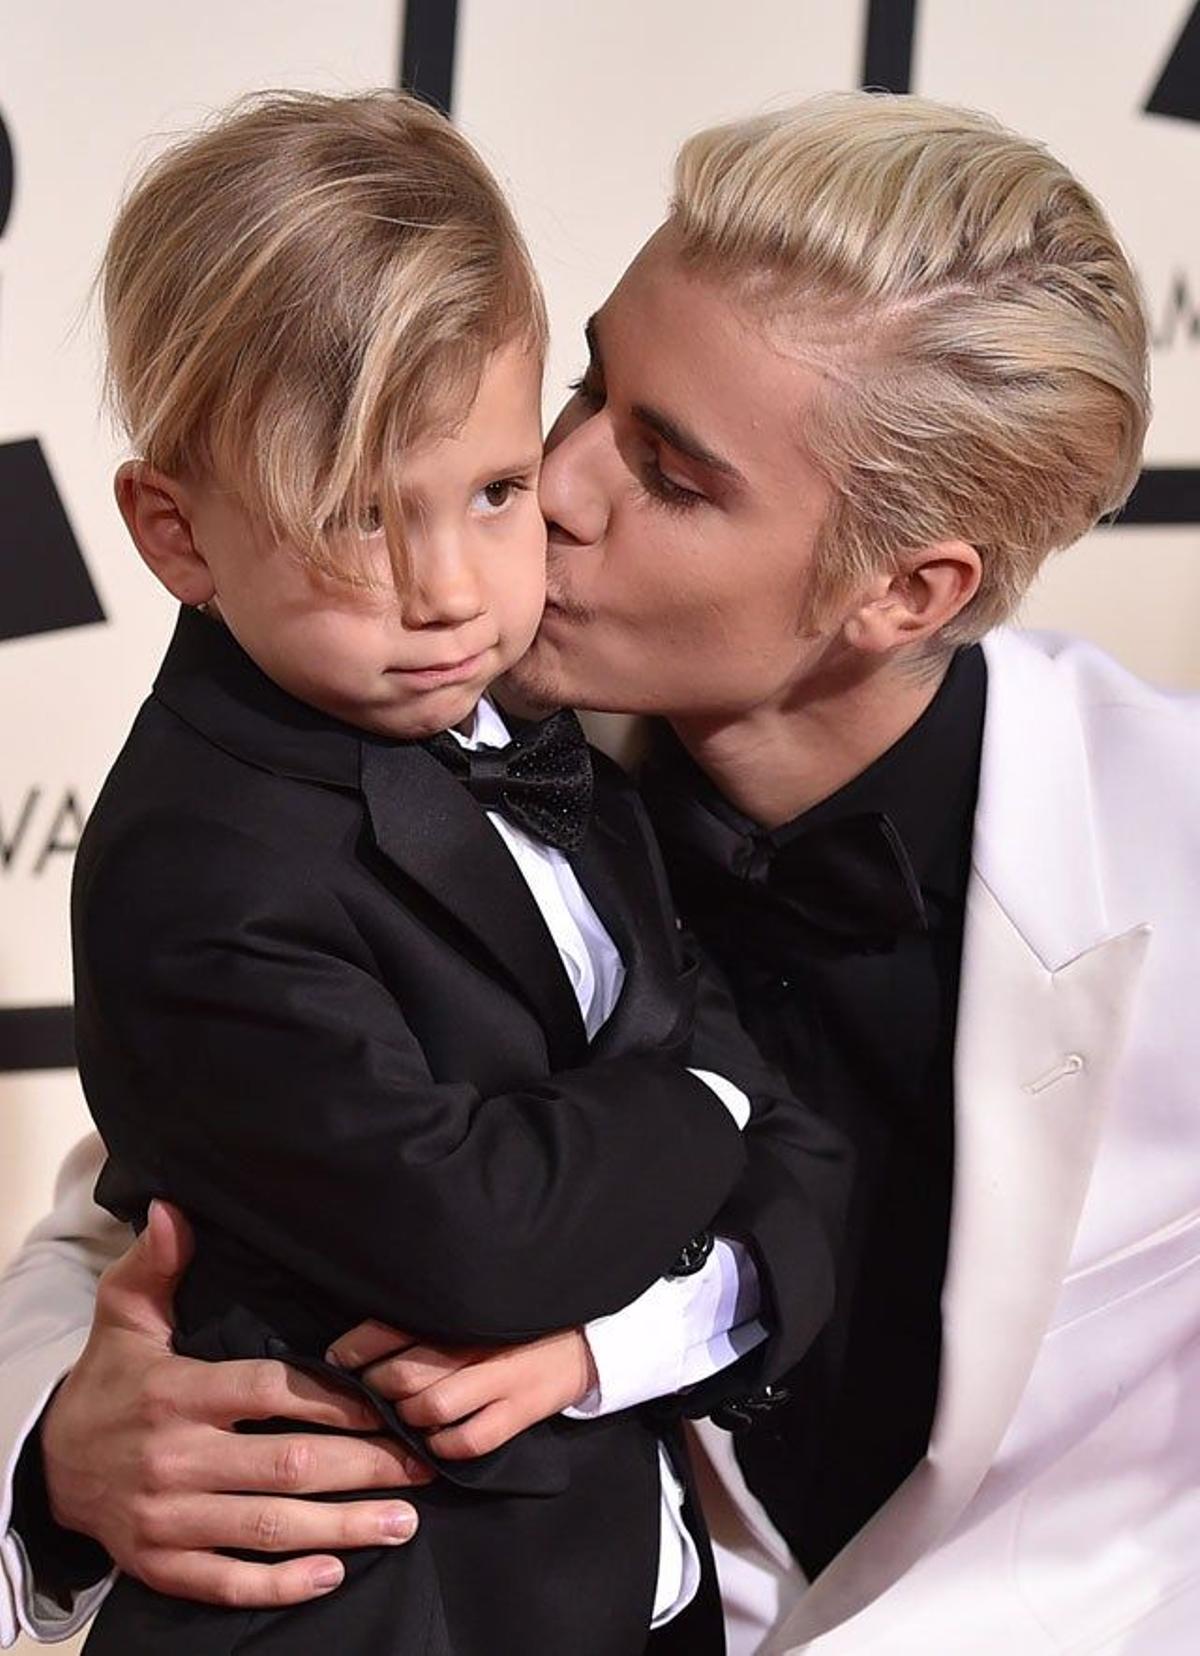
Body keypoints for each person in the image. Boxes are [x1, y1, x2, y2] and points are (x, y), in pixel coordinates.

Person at [3, 89, 1198, 1655]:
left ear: (907, 591)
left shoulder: (1166, 843)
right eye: (586, 393)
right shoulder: (403, 756)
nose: (553, 487)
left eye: (672, 474)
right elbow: (151, 1203)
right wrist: (53, 1460)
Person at [13, 88, 850, 1656]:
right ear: (175, 533)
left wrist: (617, 1330)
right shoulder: (203, 858)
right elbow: (482, 1237)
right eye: (354, 520)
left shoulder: (538, 734)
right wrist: (707, 1105)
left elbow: (781, 1147)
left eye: (492, 491)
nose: (452, 592)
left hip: (642, 1589)